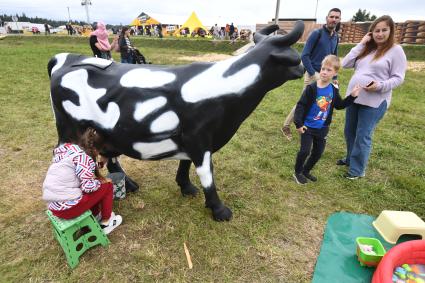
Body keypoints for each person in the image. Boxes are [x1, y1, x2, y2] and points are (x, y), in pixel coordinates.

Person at [337, 15, 407, 179]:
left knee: (363, 135)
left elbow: (398, 78)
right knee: (349, 131)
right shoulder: (367, 48)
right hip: (355, 97)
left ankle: (357, 170)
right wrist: (361, 43)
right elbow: (345, 63)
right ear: (371, 32)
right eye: (377, 30)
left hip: (375, 101)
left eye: (384, 30)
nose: (380, 34)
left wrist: (380, 86)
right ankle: (350, 159)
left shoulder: (396, 50)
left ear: (391, 31)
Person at [293, 55, 361, 184]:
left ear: (335, 73)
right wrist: (299, 124)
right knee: (305, 151)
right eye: (323, 68)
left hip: (322, 128)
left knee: (318, 153)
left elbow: (339, 105)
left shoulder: (333, 90)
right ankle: (297, 172)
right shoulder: (311, 88)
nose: (324, 72)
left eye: (329, 70)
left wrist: (352, 97)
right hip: (307, 126)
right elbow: (300, 106)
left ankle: (306, 171)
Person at [42, 128, 123, 234]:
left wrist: (102, 164)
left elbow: (84, 169)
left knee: (94, 185)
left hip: (55, 206)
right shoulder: (84, 159)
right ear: (96, 150)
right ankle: (106, 222)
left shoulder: (71, 151)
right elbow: (88, 187)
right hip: (67, 209)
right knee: (107, 186)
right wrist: (101, 182)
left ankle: (96, 215)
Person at [281, 8, 341, 141]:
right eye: (332, 16)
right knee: (304, 101)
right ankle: (286, 126)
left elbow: (334, 58)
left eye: (337, 17)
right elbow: (305, 55)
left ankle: (313, 128)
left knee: (321, 103)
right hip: (313, 75)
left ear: (339, 19)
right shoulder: (317, 33)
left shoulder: (336, 37)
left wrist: (335, 77)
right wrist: (313, 73)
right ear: (327, 18)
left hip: (327, 76)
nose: (334, 19)